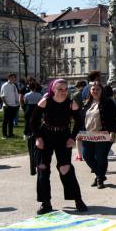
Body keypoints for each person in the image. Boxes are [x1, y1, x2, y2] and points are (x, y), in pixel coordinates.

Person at [30, 79, 88, 215]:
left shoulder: (71, 104)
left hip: (63, 136)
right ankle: (46, 203)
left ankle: (78, 199)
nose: (63, 92)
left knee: (65, 168)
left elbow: (79, 122)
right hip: (46, 135)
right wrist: (38, 137)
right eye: (60, 89)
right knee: (43, 167)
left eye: (65, 89)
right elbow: (33, 120)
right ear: (53, 90)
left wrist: (72, 137)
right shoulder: (45, 101)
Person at [80, 82, 116, 189]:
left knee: (101, 157)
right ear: (90, 91)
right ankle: (99, 174)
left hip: (103, 134)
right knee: (86, 156)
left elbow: (114, 118)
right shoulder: (86, 103)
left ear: (102, 91)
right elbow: (81, 119)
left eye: (98, 89)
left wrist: (113, 132)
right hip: (88, 135)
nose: (95, 91)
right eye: (93, 89)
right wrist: (79, 132)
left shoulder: (108, 102)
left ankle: (100, 179)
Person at [23, 80, 44, 176]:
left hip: (29, 109)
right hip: (36, 108)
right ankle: (35, 132)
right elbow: (40, 103)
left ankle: (28, 133)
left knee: (28, 122)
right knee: (37, 122)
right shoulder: (39, 95)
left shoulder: (27, 94)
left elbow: (25, 102)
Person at [0, 73, 20, 139]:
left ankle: (10, 133)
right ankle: (4, 134)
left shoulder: (13, 85)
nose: (14, 79)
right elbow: (2, 96)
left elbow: (16, 94)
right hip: (7, 106)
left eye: (15, 78)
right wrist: (6, 104)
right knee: (5, 120)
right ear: (9, 78)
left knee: (11, 121)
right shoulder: (5, 85)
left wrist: (17, 102)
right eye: (13, 77)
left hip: (14, 105)